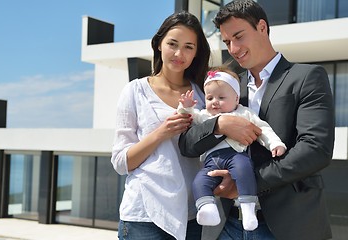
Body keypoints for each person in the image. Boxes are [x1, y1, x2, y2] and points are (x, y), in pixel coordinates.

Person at [178, 1, 335, 240]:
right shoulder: (227, 85)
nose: (233, 48)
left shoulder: (307, 77)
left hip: (288, 225)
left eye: (238, 36)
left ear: (262, 27)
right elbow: (187, 143)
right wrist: (220, 125)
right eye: (227, 41)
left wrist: (246, 183)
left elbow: (316, 149)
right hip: (226, 226)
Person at [110, 11, 211, 240]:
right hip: (144, 216)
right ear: (158, 45)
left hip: (191, 215)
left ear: (196, 53)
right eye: (172, 44)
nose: (179, 53)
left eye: (188, 47)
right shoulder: (135, 91)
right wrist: (160, 133)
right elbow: (120, 162)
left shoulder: (204, 95)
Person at [177, 66, 286, 231]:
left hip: (236, 156)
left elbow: (262, 129)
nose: (215, 102)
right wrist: (186, 107)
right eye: (210, 97)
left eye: (221, 97)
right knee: (200, 181)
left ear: (236, 99)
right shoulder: (206, 115)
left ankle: (248, 208)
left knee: (244, 170)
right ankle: (207, 208)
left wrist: (275, 143)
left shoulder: (244, 113)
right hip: (211, 161)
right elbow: (190, 120)